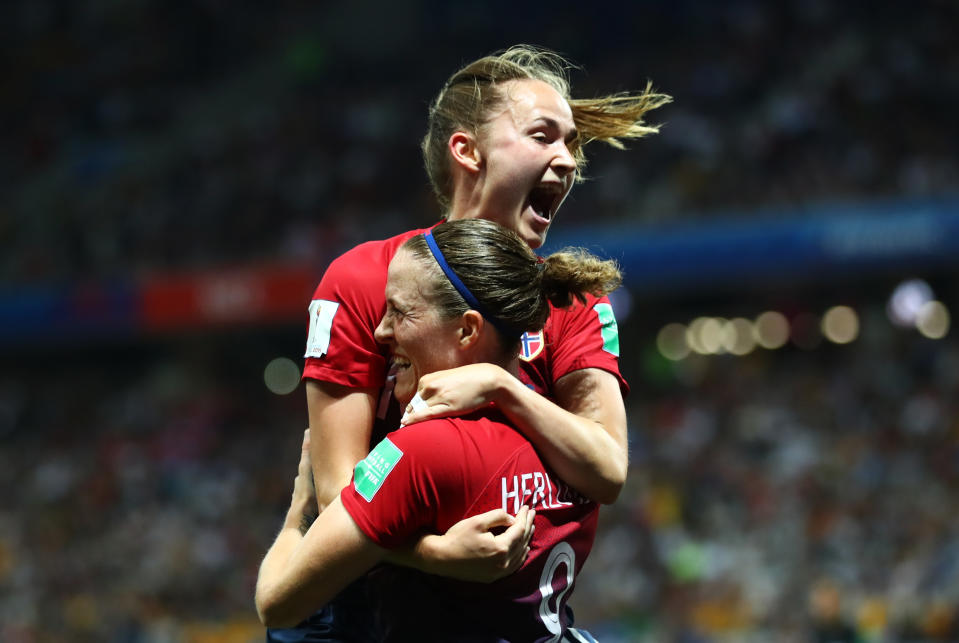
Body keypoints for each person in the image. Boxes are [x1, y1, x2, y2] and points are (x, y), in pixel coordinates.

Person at [275, 45, 671, 641]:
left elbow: (608, 469)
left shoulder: (572, 301)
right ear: (468, 151)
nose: (567, 160)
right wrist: (434, 554)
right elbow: (338, 490)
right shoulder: (361, 280)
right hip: (372, 623)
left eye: (572, 144)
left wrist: (500, 387)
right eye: (544, 136)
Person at [258, 218, 623, 641]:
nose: (381, 332)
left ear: (467, 329)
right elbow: (609, 473)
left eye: (399, 312)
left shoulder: (415, 452)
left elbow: (277, 606)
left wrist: (296, 520)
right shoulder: (565, 452)